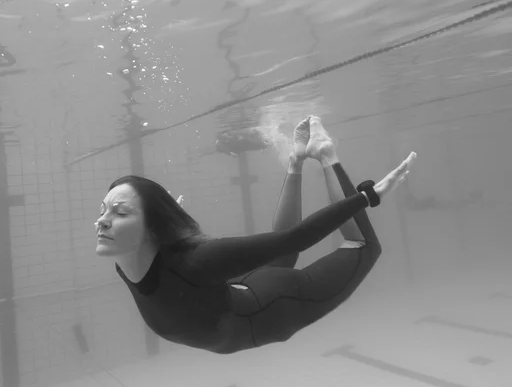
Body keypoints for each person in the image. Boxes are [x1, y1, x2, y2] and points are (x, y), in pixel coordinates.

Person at [95, 116, 416, 354]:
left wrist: (368, 197)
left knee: (362, 245)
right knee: (279, 255)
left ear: (150, 228)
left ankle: (326, 154)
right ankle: (297, 159)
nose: (102, 222)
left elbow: (297, 238)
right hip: (247, 290)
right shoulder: (125, 260)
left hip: (272, 310)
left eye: (119, 212)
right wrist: (161, 223)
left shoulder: (195, 262)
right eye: (103, 210)